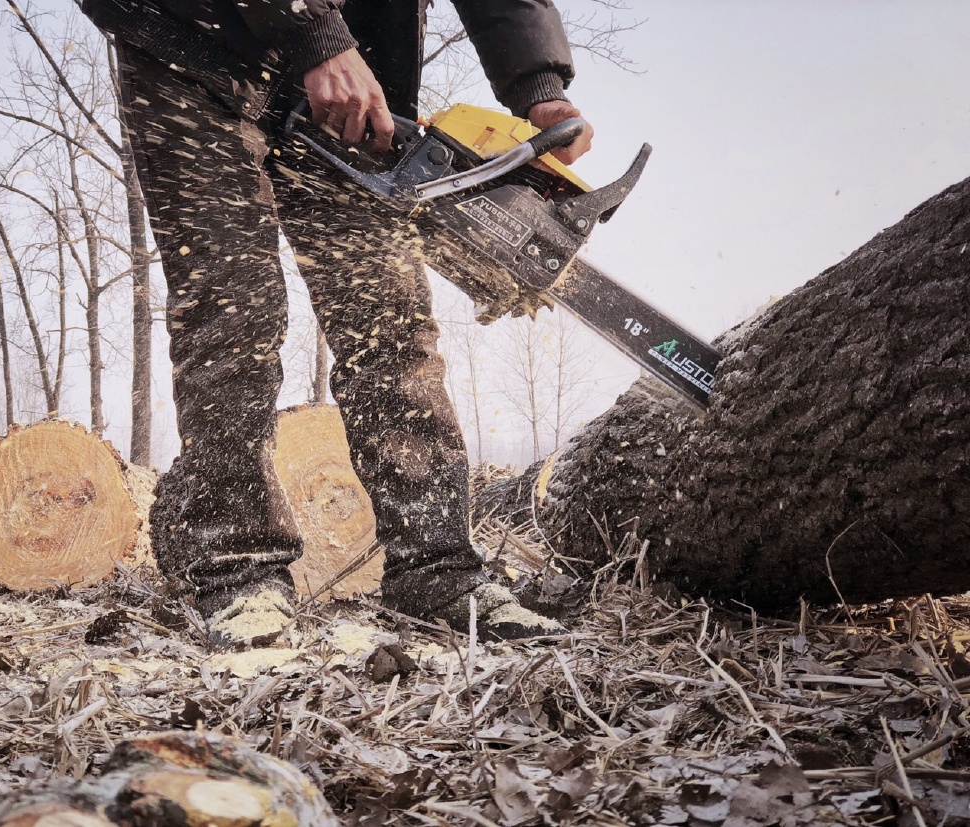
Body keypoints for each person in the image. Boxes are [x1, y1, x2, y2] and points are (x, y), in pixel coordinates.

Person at [80, 0, 594, 647]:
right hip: (191, 35)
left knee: (387, 311)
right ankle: (238, 570)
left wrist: (537, 83)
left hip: (352, 58)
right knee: (233, 304)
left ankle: (436, 567)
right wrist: (312, 32)